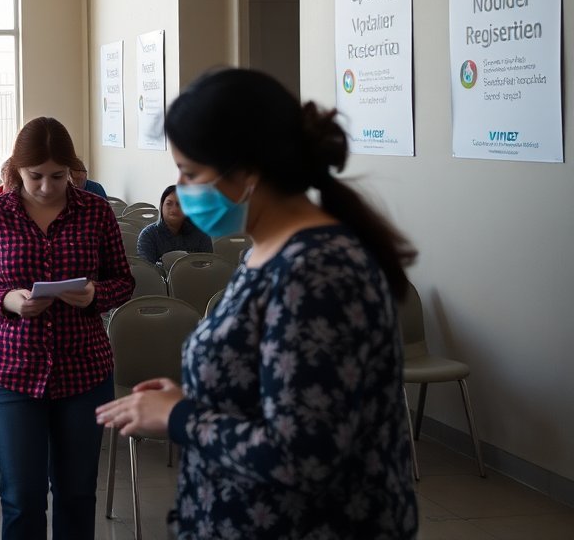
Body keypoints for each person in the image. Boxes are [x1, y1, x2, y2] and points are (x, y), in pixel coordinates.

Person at [95, 68, 418, 539]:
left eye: (190, 173)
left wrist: (179, 416)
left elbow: (302, 452)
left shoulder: (316, 271)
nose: (182, 191)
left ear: (247, 172)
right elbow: (278, 385)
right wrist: (199, 395)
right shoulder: (266, 249)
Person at [0, 117, 134, 539]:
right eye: (36, 176)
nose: (48, 187)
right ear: (17, 169)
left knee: (76, 494)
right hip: (12, 370)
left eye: (59, 175)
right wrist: (6, 300)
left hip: (84, 369)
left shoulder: (95, 211)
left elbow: (123, 280)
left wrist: (95, 296)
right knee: (21, 498)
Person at [135, 184, 214, 264]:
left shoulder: (201, 234)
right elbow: (146, 269)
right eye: (169, 204)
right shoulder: (148, 235)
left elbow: (208, 266)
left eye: (179, 204)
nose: (174, 209)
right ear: (162, 206)